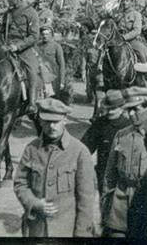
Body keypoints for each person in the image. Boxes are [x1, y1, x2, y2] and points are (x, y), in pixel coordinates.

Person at [13, 98, 95, 238]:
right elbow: (20, 183)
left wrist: (82, 234)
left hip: (66, 230)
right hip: (36, 229)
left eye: (56, 122)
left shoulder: (79, 151)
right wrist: (34, 203)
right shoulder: (31, 149)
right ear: (40, 121)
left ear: (65, 120)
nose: (52, 127)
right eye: (47, 121)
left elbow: (86, 200)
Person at [101, 86, 147, 237]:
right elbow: (110, 174)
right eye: (128, 110)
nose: (130, 114)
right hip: (120, 204)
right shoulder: (121, 135)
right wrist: (106, 202)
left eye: (135, 109)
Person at [3, 0, 43, 115]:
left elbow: (34, 36)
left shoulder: (31, 13)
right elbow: (2, 30)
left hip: (25, 49)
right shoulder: (8, 13)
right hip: (7, 46)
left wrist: (18, 46)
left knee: (32, 70)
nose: (8, 0)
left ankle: (32, 103)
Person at [81, 89, 130, 192]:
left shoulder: (128, 126)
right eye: (108, 108)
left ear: (122, 108)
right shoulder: (100, 124)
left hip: (123, 178)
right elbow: (84, 148)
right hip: (103, 177)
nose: (110, 112)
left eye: (114, 108)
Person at [118, 0, 147, 67]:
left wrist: (124, 37)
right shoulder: (119, 14)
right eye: (123, 1)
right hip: (118, 39)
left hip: (131, 40)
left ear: (131, 2)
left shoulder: (136, 14)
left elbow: (137, 31)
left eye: (127, 1)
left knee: (144, 54)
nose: (124, 2)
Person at [38, 25, 66, 99]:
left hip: (53, 78)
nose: (45, 36)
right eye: (43, 34)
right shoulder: (37, 46)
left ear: (51, 35)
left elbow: (62, 65)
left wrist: (62, 81)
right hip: (39, 76)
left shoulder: (56, 47)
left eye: (47, 34)